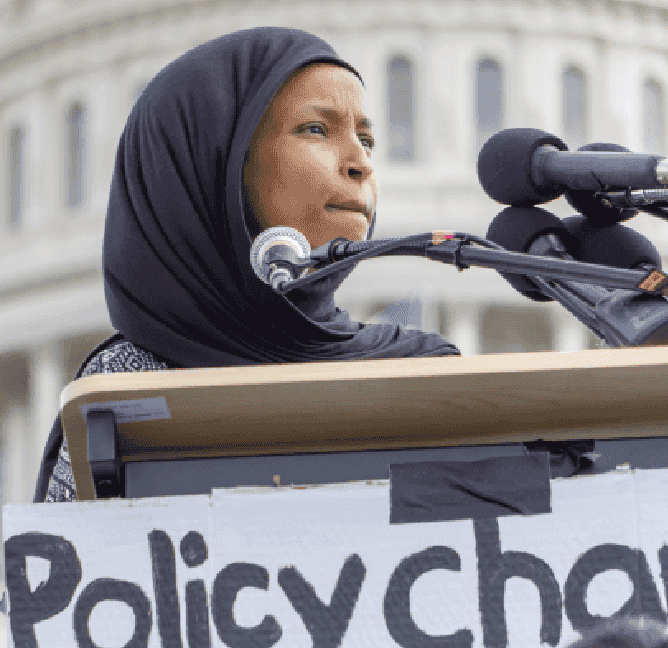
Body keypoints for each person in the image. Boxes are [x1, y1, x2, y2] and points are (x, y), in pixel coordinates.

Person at [35, 27, 459, 503]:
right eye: (316, 129)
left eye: (366, 139)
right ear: (215, 165)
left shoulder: (420, 370)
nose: (361, 163)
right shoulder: (125, 389)